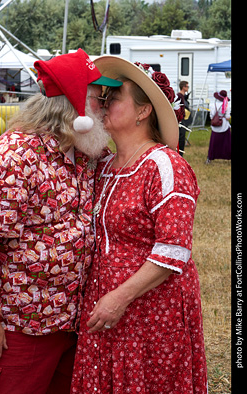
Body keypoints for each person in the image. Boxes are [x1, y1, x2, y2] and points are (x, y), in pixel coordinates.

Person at [0, 49, 122, 394]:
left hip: (66, 326)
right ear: (73, 105)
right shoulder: (16, 156)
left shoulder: (84, 153)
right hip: (16, 328)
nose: (103, 108)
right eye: (96, 98)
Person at [71, 57, 208, 393]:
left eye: (113, 99)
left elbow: (173, 250)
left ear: (143, 112)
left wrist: (120, 297)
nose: (102, 105)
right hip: (104, 306)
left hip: (149, 309)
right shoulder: (102, 163)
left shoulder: (164, 165)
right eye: (102, 98)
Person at [206, 90, 231, 163]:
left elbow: (211, 116)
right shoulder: (227, 105)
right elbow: (227, 117)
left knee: (214, 143)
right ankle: (227, 156)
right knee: (226, 144)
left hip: (215, 126)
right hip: (224, 126)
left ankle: (210, 158)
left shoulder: (212, 105)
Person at [177, 80, 190, 156]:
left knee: (182, 137)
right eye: (187, 86)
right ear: (183, 87)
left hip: (184, 119)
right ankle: (179, 154)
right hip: (180, 120)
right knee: (180, 138)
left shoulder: (183, 96)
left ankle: (180, 154)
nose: (188, 88)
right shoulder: (179, 96)